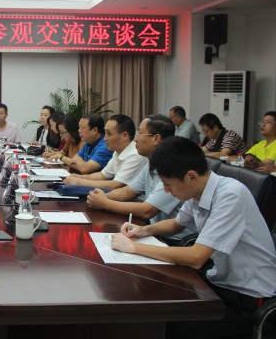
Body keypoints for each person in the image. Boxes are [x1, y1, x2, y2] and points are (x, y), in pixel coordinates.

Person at [110, 136, 276, 339]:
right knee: (155, 302)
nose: (167, 190)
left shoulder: (230, 195)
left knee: (163, 322)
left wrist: (133, 248)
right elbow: (176, 224)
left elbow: (196, 257)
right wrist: (143, 231)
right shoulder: (198, 190)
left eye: (168, 184)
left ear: (190, 176)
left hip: (248, 300)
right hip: (220, 284)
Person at [87, 114, 194, 243]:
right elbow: (128, 191)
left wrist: (105, 203)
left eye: (139, 133)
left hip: (176, 241)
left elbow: (147, 211)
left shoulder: (173, 168)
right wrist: (102, 197)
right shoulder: (151, 163)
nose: (135, 139)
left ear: (156, 139)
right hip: (152, 230)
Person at [62, 114, 147, 191]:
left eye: (108, 134)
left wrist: (80, 182)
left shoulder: (135, 155)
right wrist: (79, 177)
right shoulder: (117, 151)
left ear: (124, 136)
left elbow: (115, 185)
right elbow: (103, 175)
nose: (105, 138)